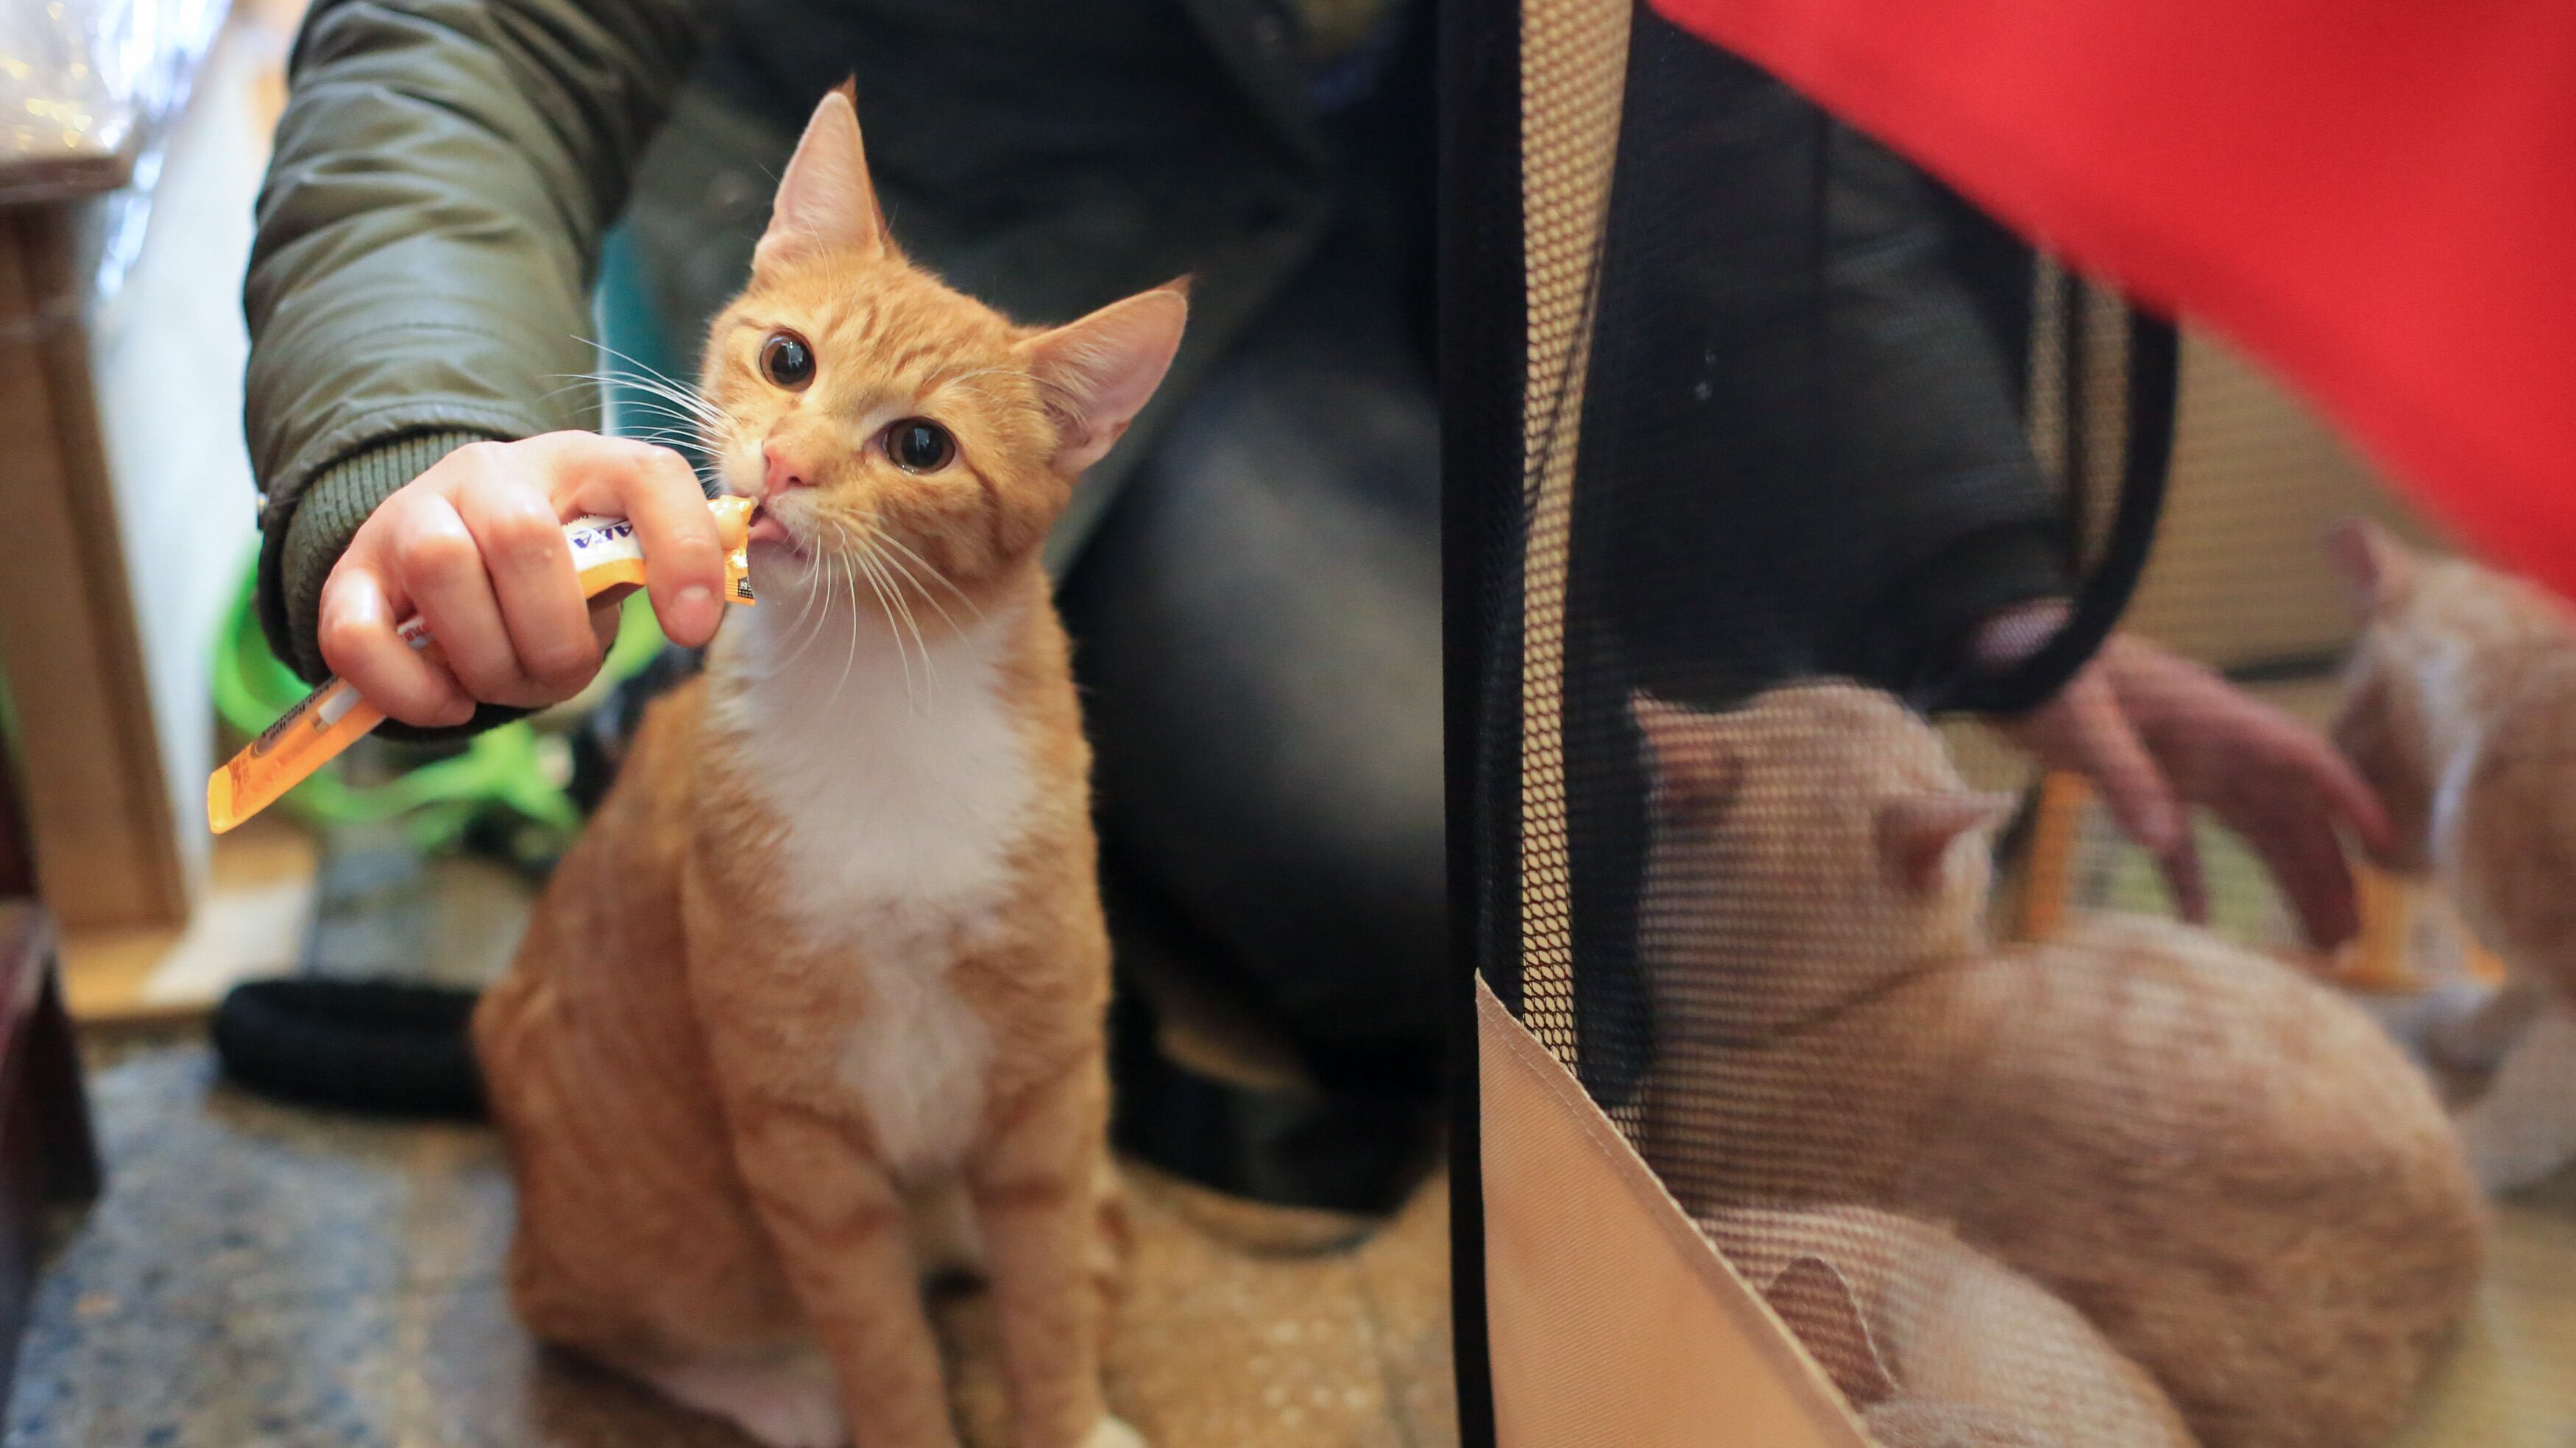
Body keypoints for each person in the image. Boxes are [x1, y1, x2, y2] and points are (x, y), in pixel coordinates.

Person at [240, 0, 2382, 1206]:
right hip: (1008, 239)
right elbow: (463, 39)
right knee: (1439, 857)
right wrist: (431, 446)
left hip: (1428, 191)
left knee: (1658, 818)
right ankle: (967, 763)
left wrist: (1995, 590)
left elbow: (1717, 99)